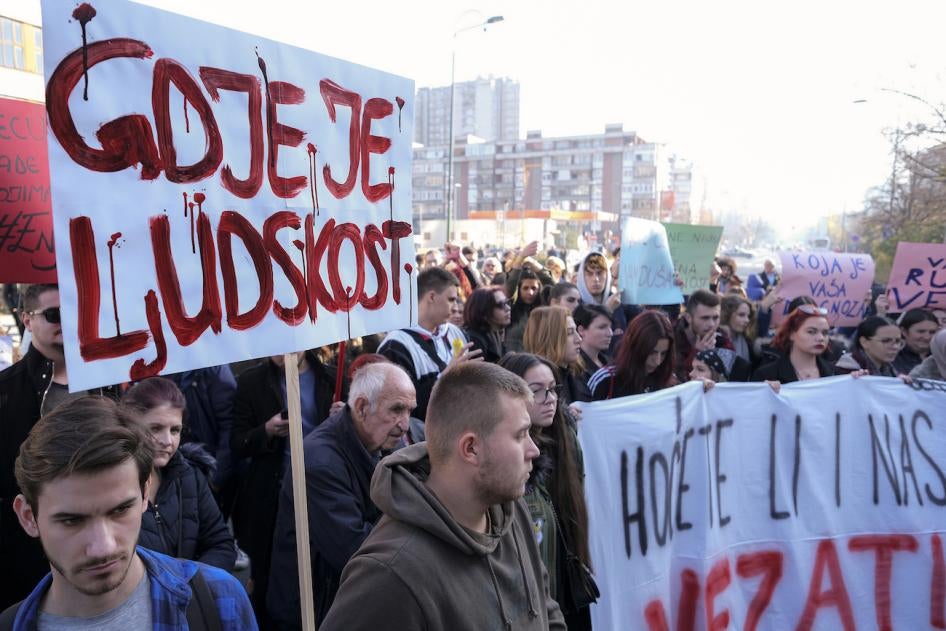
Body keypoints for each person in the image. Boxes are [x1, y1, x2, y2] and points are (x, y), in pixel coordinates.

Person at [320, 362, 565, 630]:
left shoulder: (511, 509)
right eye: (519, 435)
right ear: (471, 448)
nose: (534, 450)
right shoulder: (389, 574)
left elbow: (545, 610)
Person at [5, 397, 255, 629]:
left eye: (121, 510)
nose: (103, 547)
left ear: (145, 493)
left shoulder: (219, 599)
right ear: (28, 517)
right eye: (72, 521)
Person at [0, 284, 122, 609]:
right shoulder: (6, 391)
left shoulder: (109, 383)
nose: (66, 323)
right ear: (27, 319)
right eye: (54, 314)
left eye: (73, 313)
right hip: (27, 557)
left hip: (105, 546)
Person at [268, 363, 416, 628]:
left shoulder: (383, 444)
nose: (405, 424)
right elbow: (356, 549)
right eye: (396, 409)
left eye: (409, 411)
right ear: (361, 408)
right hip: (316, 608)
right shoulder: (319, 462)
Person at [229, 349, 336, 628]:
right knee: (271, 576)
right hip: (270, 496)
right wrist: (265, 430)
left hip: (322, 489)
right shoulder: (252, 382)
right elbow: (237, 443)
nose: (281, 351)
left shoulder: (330, 378)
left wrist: (342, 417)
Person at [499, 353, 596, 630]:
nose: (549, 398)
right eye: (536, 391)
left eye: (552, 389)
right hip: (527, 601)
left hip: (566, 584)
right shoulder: (501, 455)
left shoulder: (566, 437)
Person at [121, 378, 236, 570]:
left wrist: (188, 583)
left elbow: (222, 545)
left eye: (175, 430)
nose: (167, 441)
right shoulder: (111, 487)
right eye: (155, 428)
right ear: (131, 425)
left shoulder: (190, 476)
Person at [379, 267, 477, 421]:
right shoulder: (396, 345)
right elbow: (401, 409)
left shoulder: (455, 332)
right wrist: (445, 378)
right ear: (431, 296)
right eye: (451, 300)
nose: (456, 307)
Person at [589, 310, 678, 400]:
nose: (657, 361)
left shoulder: (668, 382)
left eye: (663, 353)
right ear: (636, 346)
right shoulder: (605, 381)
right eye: (651, 353)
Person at [752, 305, 836, 383]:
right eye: (811, 332)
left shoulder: (835, 374)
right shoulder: (766, 375)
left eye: (825, 333)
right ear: (791, 334)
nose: (821, 338)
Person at [673, 289, 743, 382]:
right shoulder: (673, 338)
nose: (711, 324)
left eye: (715, 318)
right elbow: (676, 379)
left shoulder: (723, 340)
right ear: (688, 318)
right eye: (705, 318)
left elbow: (732, 377)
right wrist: (697, 354)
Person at [523, 306, 589, 403]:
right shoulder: (533, 383)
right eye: (569, 332)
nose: (578, 339)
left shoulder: (575, 374)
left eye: (576, 331)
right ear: (549, 338)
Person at [834, 316, 905, 377]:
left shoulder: (892, 370)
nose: (895, 347)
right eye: (886, 341)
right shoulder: (847, 370)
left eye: (898, 341)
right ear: (864, 342)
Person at [463, 286, 510, 364]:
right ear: (484, 311)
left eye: (507, 302)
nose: (508, 308)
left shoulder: (495, 332)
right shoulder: (474, 341)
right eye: (502, 304)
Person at [573, 303, 613, 387]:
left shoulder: (609, 362)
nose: (610, 333)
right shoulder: (574, 369)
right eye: (602, 327)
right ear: (581, 330)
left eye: (610, 327)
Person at [892, 309, 940, 374]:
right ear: (904, 331)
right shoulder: (892, 356)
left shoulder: (941, 356)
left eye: (932, 332)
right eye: (921, 331)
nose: (927, 337)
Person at [720, 294, 759, 369]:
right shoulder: (715, 340)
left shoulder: (747, 340)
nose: (747, 320)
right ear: (727, 315)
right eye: (741, 315)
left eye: (748, 316)